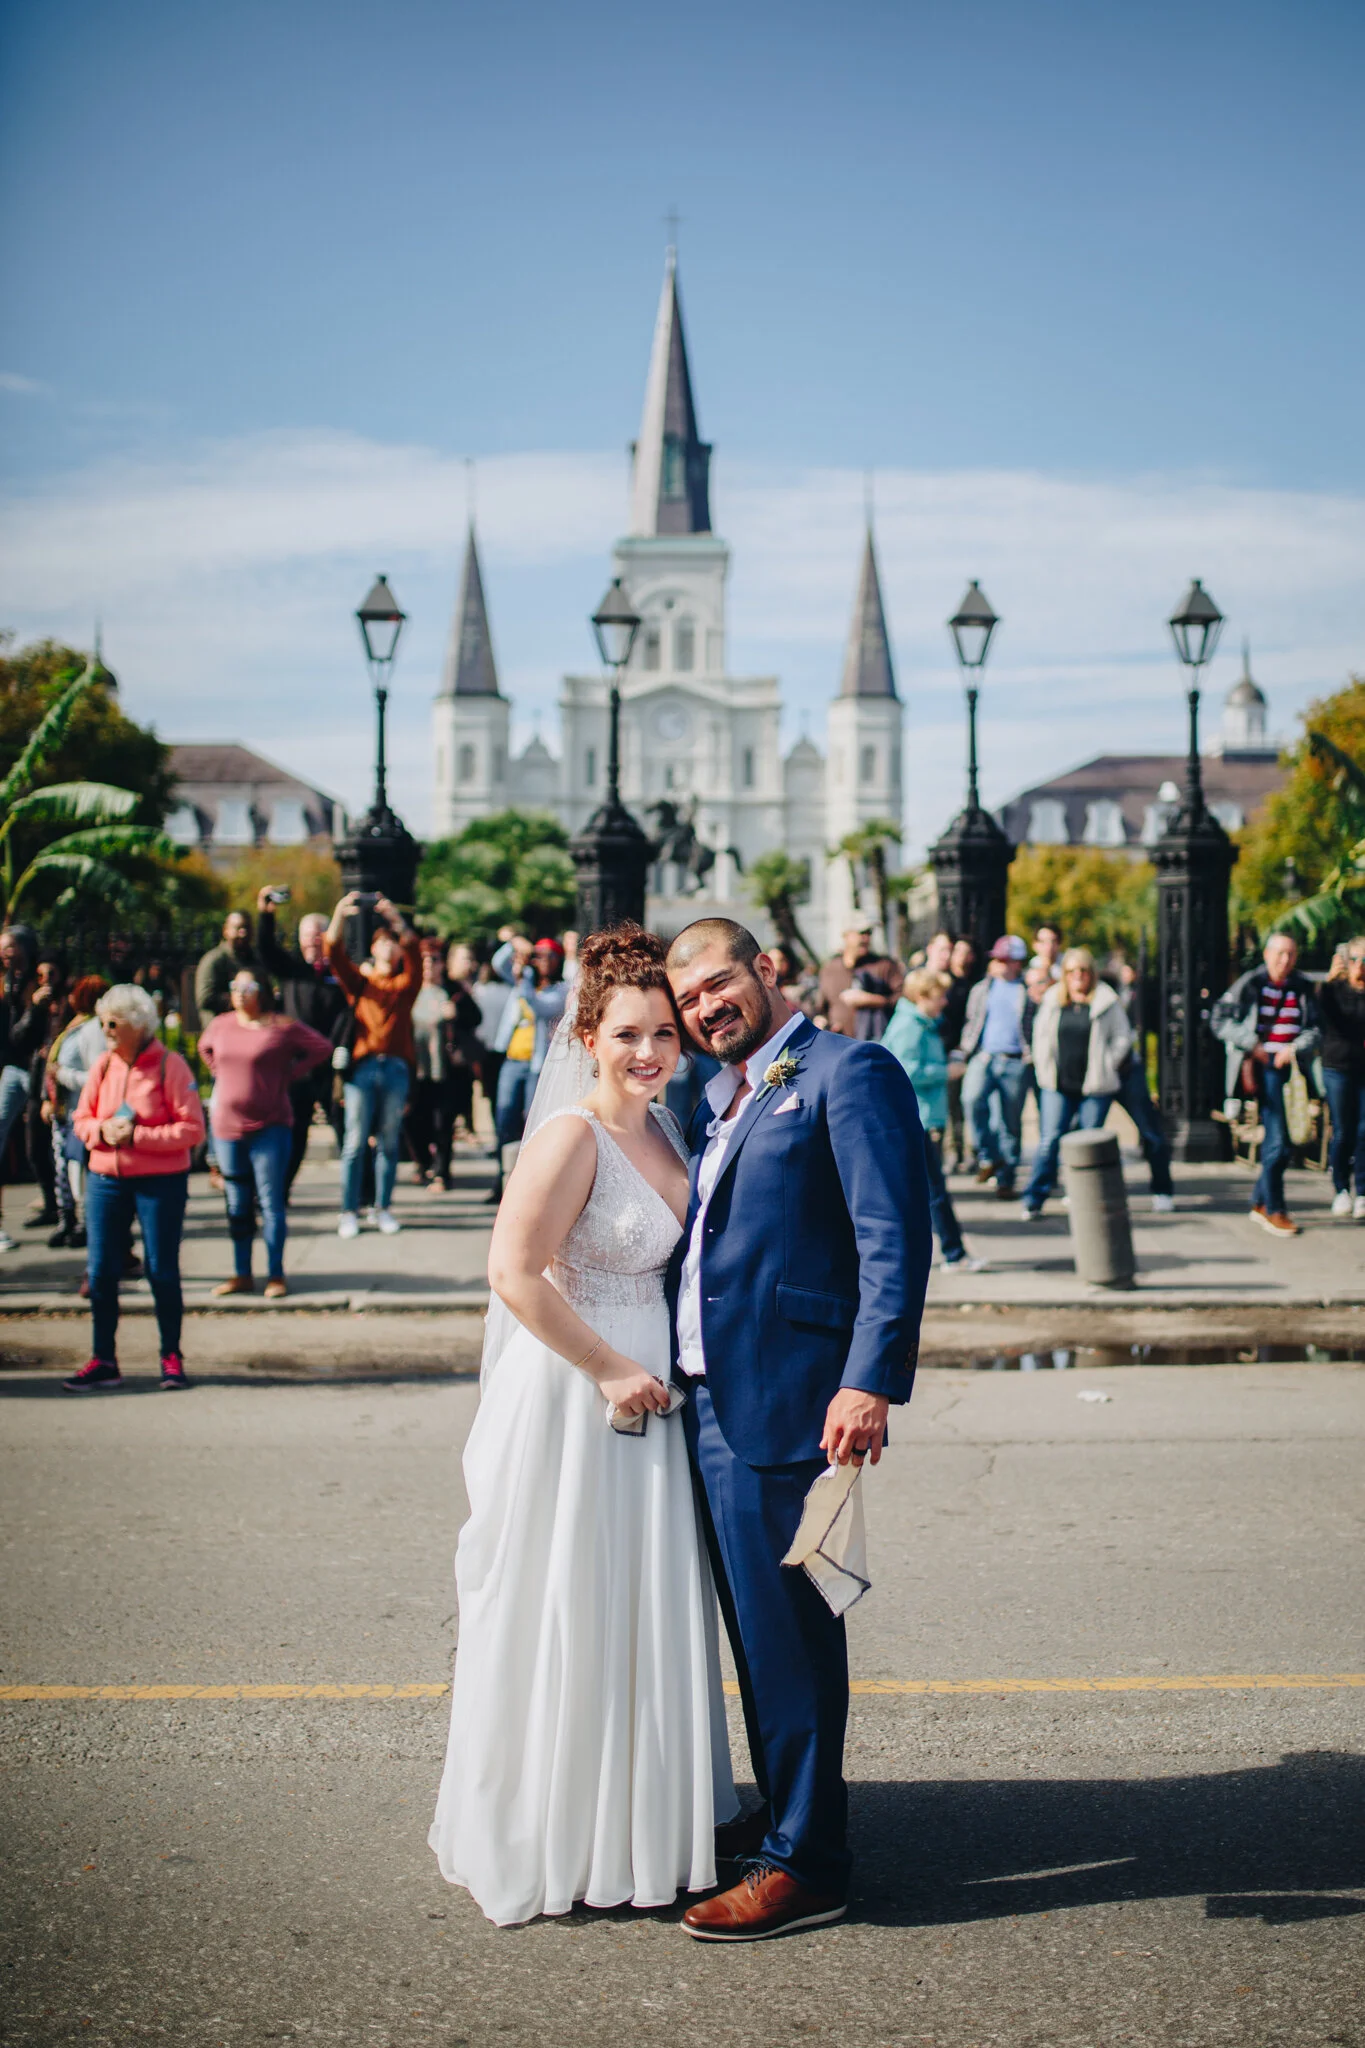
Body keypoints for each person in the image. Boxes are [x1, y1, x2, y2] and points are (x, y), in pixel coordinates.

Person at [430, 923, 736, 1925]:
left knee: (640, 1603)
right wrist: (609, 1368)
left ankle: (644, 1819)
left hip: (656, 1389)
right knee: (576, 1598)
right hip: (581, 1391)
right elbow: (513, 1273)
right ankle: (564, 1828)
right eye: (628, 1034)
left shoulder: (669, 1127)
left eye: (664, 1034)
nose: (649, 1052)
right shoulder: (574, 1136)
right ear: (588, 1035)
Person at [665, 918, 931, 1941]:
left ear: (766, 970)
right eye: (689, 998)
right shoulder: (716, 1097)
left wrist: (869, 1382)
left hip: (789, 1396)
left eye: (718, 983)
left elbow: (890, 1237)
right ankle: (788, 1819)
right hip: (709, 1400)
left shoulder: (846, 1070)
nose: (705, 1007)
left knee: (790, 1638)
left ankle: (809, 1862)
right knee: (754, 1634)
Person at [63, 984, 206, 1392]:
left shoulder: (171, 1065)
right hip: (106, 1179)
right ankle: (104, 1359)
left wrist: (137, 1138)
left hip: (160, 1183)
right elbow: (81, 1119)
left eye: (114, 1021)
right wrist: (102, 1131)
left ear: (139, 1025)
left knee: (161, 1270)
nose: (105, 1028)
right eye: (103, 1020)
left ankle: (171, 1356)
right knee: (101, 1272)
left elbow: (192, 1129)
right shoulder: (104, 1066)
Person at [198, 970, 331, 1298]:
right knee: (237, 1203)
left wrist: (291, 1073)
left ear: (263, 991)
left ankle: (276, 1274)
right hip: (228, 1128)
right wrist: (221, 1074)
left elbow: (322, 1047)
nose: (240, 993)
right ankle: (242, 1273)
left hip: (270, 1127)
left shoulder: (280, 1026)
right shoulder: (221, 1024)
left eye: (248, 987)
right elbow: (205, 1049)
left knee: (271, 1202)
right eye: (234, 987)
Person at [325, 893, 421, 1239]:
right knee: (354, 1142)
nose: (388, 948)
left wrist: (395, 918)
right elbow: (333, 953)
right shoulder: (361, 985)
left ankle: (382, 1208)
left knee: (389, 1142)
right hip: (362, 1068)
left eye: (391, 944)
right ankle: (349, 1210)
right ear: (372, 948)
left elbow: (415, 955)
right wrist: (339, 913)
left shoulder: (404, 987)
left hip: (395, 1068)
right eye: (382, 943)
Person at [1212, 931, 1320, 1238]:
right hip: (1263, 1067)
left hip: (1293, 1068)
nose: (1284, 960)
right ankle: (1275, 1208)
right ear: (1267, 955)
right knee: (1279, 1140)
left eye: (1290, 954)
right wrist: (1253, 1044)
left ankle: (1260, 1202)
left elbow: (1315, 1028)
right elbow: (1220, 1020)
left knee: (1283, 1141)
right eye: (1279, 953)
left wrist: (1295, 1048)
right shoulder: (1251, 983)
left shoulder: (1301, 986)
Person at [883, 968, 985, 1271]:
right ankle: (954, 1254)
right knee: (932, 1191)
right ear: (921, 996)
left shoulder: (919, 1023)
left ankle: (940, 1254)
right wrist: (946, 1072)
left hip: (919, 1117)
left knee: (923, 1191)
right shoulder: (909, 1027)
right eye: (939, 996)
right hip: (916, 1118)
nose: (944, 1002)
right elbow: (904, 1069)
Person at [1021, 948, 1133, 1218]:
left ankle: (1081, 1192)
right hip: (1058, 1083)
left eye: (1083, 971)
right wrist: (1042, 1065)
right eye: (1071, 972)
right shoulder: (1052, 1000)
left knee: (1087, 1138)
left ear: (1091, 974)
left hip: (1094, 1084)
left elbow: (1123, 1037)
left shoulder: (1106, 1001)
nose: (1078, 976)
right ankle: (1034, 1196)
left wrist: (1109, 1062)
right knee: (1049, 1140)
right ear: (1065, 976)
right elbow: (1040, 1037)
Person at [255, 892, 348, 1191]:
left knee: (345, 1128)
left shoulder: (340, 971)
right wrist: (266, 914)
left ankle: (363, 1194)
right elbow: (266, 950)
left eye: (317, 935)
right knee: (295, 1131)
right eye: (306, 936)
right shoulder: (292, 970)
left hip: (332, 1065)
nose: (311, 941)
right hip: (299, 1066)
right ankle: (280, 1192)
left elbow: (349, 1014)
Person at [489, 934, 568, 1195]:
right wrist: (515, 944)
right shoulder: (524, 980)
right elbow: (498, 962)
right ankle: (502, 1183)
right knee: (504, 1120)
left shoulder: (561, 990)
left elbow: (538, 1009)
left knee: (532, 1123)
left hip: (538, 1066)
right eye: (539, 956)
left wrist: (523, 978)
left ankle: (528, 1186)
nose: (542, 962)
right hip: (513, 1061)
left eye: (549, 957)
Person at [957, 936, 1033, 1199]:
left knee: (1009, 1122)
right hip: (984, 1056)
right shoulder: (982, 988)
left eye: (1003, 959)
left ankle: (1006, 1178)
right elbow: (972, 1021)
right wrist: (966, 1050)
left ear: (1016, 962)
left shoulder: (1027, 990)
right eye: (996, 959)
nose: (997, 964)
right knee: (971, 1099)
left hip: (1014, 1060)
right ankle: (988, 1155)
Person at [409, 943, 480, 1190]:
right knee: (414, 1121)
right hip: (415, 1068)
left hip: (446, 1069)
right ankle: (423, 1163)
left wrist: (456, 1013)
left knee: (443, 1122)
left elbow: (476, 1017)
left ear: (442, 963)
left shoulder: (453, 990)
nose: (429, 965)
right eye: (424, 959)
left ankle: (441, 1172)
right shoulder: (408, 987)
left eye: (434, 959)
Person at [44, 975, 108, 1248]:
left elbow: (96, 1077)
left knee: (79, 1172)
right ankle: (67, 1219)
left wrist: (63, 1074)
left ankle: (84, 1223)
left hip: (81, 1112)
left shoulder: (96, 1030)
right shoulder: (73, 1026)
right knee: (65, 1169)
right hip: (65, 1111)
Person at [0, 923, 50, 1251]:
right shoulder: (6, 983)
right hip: (11, 1069)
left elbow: (24, 1036)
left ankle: (61, 1208)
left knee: (46, 1145)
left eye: (10, 946)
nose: (5, 953)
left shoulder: (43, 979)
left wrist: (35, 1006)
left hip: (36, 1071)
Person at [1112, 961, 1176, 1213]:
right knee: (1083, 1131)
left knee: (1151, 1131)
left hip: (1129, 1068)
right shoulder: (1101, 995)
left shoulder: (1139, 995)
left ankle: (1162, 1188)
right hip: (1101, 1072)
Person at [1316, 937, 1365, 1219]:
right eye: (1355, 959)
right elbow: (1320, 1017)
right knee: (1343, 1129)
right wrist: (1328, 983)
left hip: (1363, 1068)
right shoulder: (1333, 990)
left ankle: (1362, 1191)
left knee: (1363, 1130)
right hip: (1337, 1067)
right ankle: (1340, 1188)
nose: (1360, 966)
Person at [815, 920, 903, 1040]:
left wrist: (872, 1000)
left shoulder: (883, 965)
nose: (865, 938)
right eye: (861, 933)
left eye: (869, 933)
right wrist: (823, 1022)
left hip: (875, 1044)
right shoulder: (830, 968)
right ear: (846, 936)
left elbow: (903, 999)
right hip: (839, 1043)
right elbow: (821, 1008)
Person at [941, 937, 978, 1170]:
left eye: (968, 952)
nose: (963, 957)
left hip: (970, 1050)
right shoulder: (945, 983)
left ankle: (973, 1151)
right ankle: (954, 1151)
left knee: (969, 1102)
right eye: (959, 951)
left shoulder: (976, 983)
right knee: (951, 1104)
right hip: (947, 1050)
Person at [194, 910, 270, 1020]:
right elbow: (205, 999)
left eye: (246, 928)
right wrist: (240, 999)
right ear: (226, 930)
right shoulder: (213, 960)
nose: (243, 933)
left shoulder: (256, 960)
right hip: (221, 1028)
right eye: (238, 928)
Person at [442, 942, 483, 1141]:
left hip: (459, 1060)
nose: (470, 964)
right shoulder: (443, 986)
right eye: (465, 958)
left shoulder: (465, 988)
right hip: (439, 1059)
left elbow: (476, 1018)